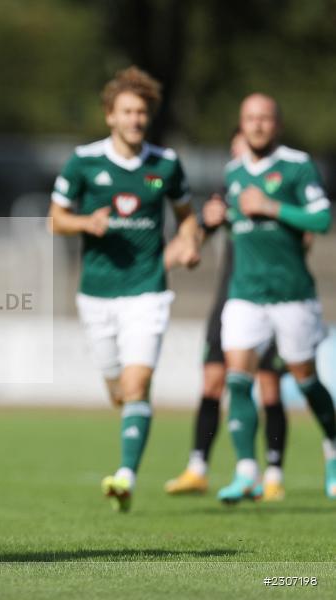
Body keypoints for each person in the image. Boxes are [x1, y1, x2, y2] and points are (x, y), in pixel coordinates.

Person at [49, 66, 200, 512]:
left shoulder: (166, 164)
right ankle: (134, 411)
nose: (135, 119)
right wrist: (85, 223)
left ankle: (126, 476)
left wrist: (187, 242)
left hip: (148, 290)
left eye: (142, 112)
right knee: (120, 391)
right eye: (127, 111)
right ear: (110, 116)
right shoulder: (84, 162)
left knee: (137, 383)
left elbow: (188, 215)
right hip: (96, 294)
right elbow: (55, 219)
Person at [216, 93, 335, 503]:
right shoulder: (232, 172)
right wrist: (214, 221)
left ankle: (333, 446)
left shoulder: (297, 166)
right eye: (250, 118)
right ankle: (247, 470)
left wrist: (271, 206)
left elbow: (322, 218)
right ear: (241, 123)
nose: (257, 125)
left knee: (305, 380)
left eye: (265, 118)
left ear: (277, 124)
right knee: (237, 378)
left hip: (292, 294)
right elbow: (235, 222)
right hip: (245, 293)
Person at [166, 131, 291, 502]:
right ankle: (198, 467)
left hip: (272, 300)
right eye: (234, 151)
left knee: (268, 385)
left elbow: (305, 237)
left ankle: (273, 473)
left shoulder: (276, 190)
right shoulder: (228, 194)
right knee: (212, 382)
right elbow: (199, 234)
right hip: (229, 300)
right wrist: (187, 247)